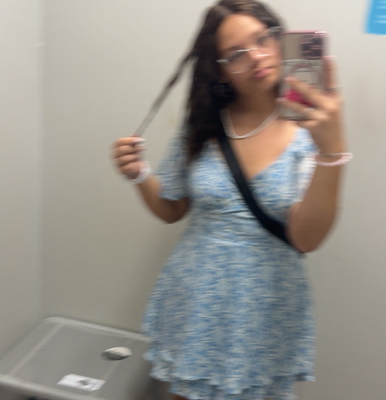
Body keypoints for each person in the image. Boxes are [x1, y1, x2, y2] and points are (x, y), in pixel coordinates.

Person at [112, 1, 349, 399]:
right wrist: (138, 175)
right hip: (196, 298)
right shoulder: (203, 126)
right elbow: (173, 209)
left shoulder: (313, 128)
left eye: (263, 39)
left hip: (266, 305)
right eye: (236, 53)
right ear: (220, 69)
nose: (256, 56)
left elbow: (307, 239)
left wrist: (332, 151)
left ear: (280, 40)